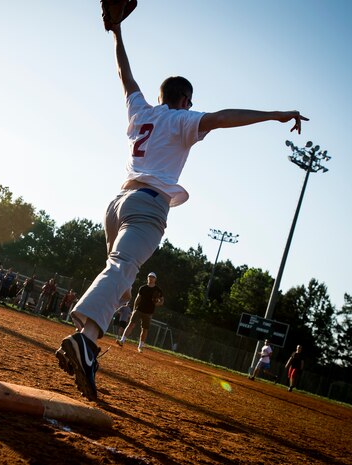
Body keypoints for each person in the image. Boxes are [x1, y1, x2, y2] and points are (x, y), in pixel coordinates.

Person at [55, 14, 308, 401]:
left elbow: (125, 73)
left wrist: (117, 32)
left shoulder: (141, 111)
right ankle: (86, 342)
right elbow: (223, 118)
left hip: (116, 204)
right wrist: (275, 114)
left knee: (121, 282)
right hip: (148, 207)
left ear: (161, 96)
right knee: (122, 269)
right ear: (185, 100)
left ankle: (93, 337)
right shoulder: (182, 120)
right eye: (191, 101)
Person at [116, 272, 163, 352]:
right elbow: (137, 299)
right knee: (131, 324)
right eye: (149, 277)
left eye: (152, 277)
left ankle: (140, 346)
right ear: (147, 278)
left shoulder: (158, 290)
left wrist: (158, 303)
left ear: (155, 279)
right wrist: (134, 309)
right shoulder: (143, 288)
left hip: (148, 313)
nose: (151, 278)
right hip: (139, 309)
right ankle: (122, 341)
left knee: (144, 329)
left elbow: (162, 300)